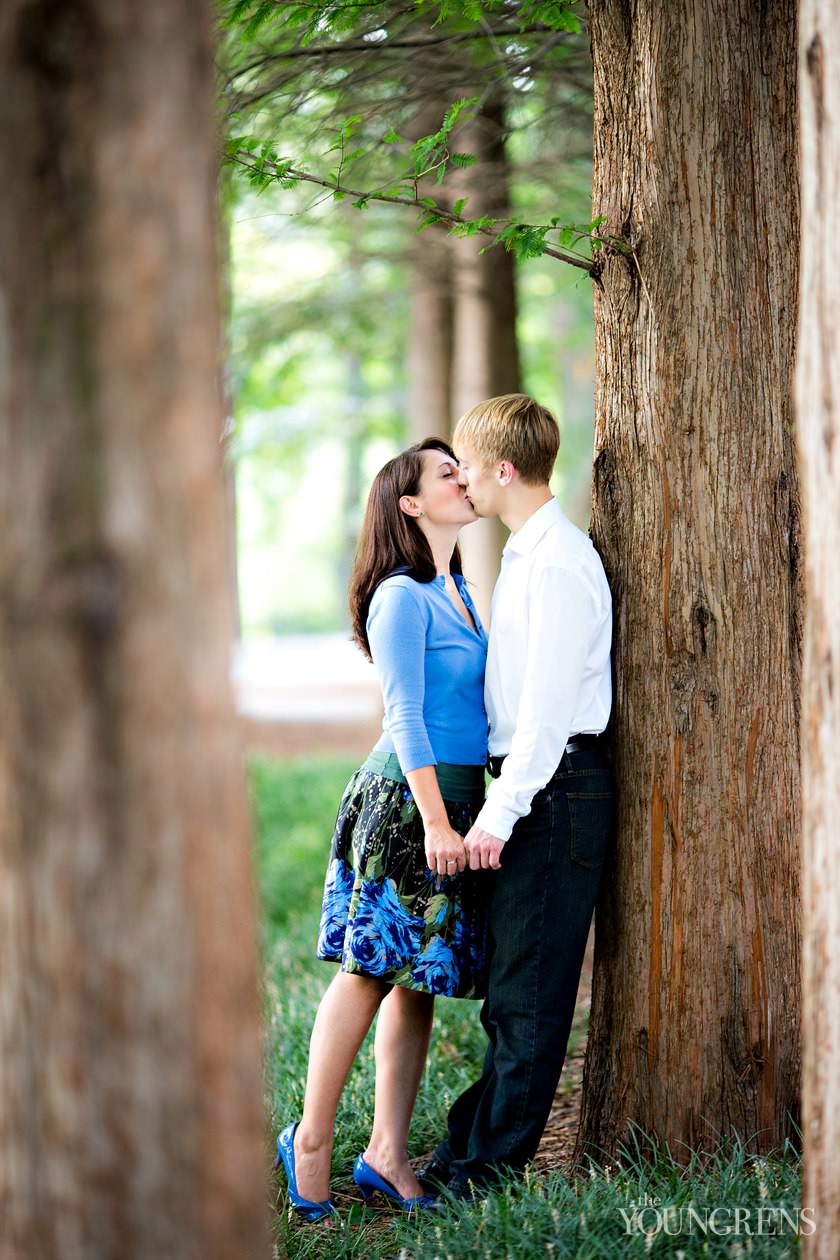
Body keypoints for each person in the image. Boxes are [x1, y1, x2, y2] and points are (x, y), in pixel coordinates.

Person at [275, 437, 491, 1222]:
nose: (463, 479)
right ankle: (310, 1141)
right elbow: (403, 714)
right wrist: (437, 822)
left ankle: (386, 1153)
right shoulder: (400, 594)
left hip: (455, 804)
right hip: (406, 803)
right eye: (447, 473)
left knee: (417, 983)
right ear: (410, 503)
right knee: (369, 970)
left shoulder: (459, 590)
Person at [420, 393, 615, 1199]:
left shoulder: (562, 562)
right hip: (537, 787)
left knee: (530, 999)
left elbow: (543, 715)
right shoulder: (530, 557)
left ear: (503, 469)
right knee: (510, 995)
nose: (461, 480)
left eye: (467, 465)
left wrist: (499, 816)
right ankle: (463, 1152)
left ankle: (480, 1181)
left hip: (555, 790)